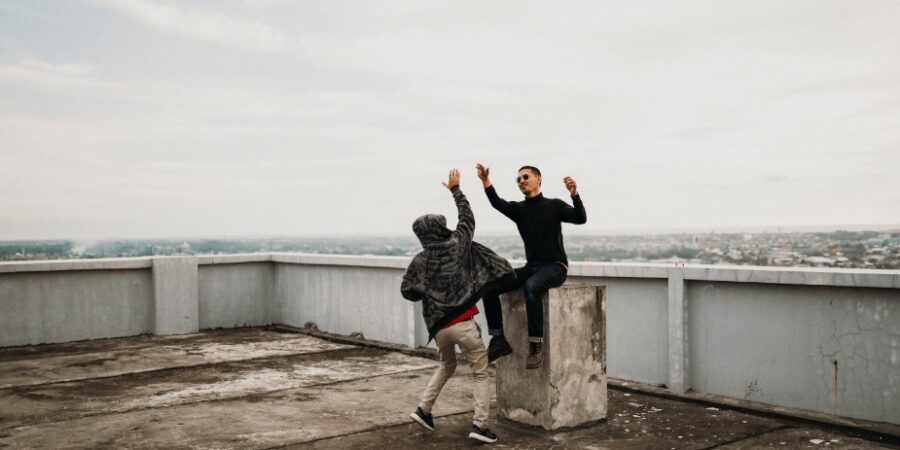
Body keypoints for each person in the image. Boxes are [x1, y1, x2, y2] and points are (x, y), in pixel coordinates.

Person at [401, 168, 514, 444]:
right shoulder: (457, 244)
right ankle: (480, 425)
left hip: (439, 328)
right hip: (463, 323)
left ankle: (423, 409)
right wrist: (456, 189)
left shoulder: (419, 260)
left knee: (446, 365)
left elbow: (407, 291)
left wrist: (428, 292)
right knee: (480, 371)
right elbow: (467, 217)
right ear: (441, 228)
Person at [475, 163, 586, 369]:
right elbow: (497, 203)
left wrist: (574, 194)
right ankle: (498, 340)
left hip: (555, 266)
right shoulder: (519, 210)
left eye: (525, 177)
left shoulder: (554, 205)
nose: (521, 182)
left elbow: (580, 219)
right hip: (532, 267)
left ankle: (536, 347)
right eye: (518, 179)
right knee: (489, 286)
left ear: (538, 179)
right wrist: (485, 181)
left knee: (532, 287)